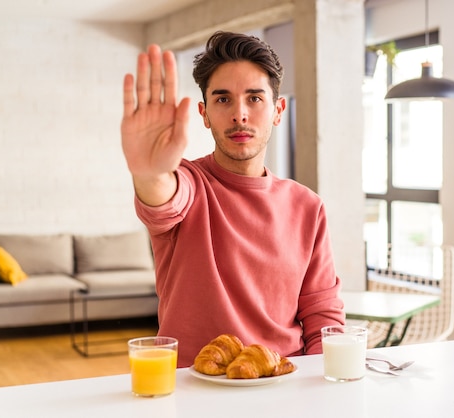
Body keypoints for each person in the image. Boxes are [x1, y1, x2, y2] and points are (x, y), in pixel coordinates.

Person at [121, 31, 345, 368]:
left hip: (284, 383)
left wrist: (323, 390)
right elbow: (163, 201)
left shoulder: (307, 206)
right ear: (205, 113)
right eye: (223, 99)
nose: (239, 114)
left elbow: (322, 315)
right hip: (194, 388)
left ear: (278, 110)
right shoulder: (188, 183)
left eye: (254, 98)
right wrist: (148, 173)